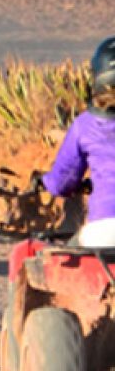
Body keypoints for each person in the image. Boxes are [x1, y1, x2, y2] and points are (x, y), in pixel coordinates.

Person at [42, 37, 115, 246]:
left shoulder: (85, 125)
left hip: (104, 231)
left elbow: (60, 184)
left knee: (64, 254)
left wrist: (45, 182)